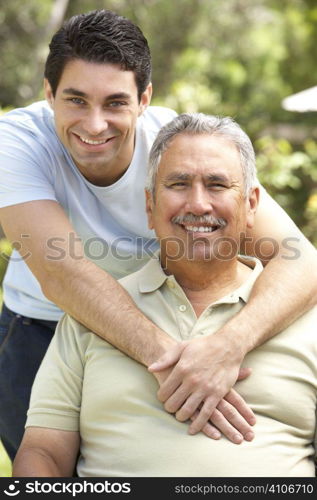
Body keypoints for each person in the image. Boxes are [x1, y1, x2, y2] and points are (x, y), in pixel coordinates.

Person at [0, 10, 316, 462]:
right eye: (75, 100)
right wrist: (181, 367)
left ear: (144, 98)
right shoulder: (17, 142)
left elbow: (300, 258)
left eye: (114, 103)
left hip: (162, 313)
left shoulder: (179, 151)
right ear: (49, 93)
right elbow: (62, 272)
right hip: (40, 327)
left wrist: (226, 347)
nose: (94, 125)